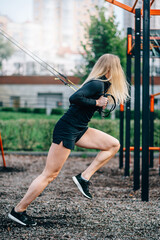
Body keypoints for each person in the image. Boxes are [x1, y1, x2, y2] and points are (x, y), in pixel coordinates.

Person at [8, 54, 129, 226]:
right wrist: (96, 103)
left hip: (80, 129)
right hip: (67, 129)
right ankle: (18, 211)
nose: (120, 71)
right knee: (50, 174)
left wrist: (98, 103)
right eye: (118, 66)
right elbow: (74, 98)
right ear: (111, 68)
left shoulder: (101, 85)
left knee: (113, 144)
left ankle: (83, 178)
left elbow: (83, 102)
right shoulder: (97, 83)